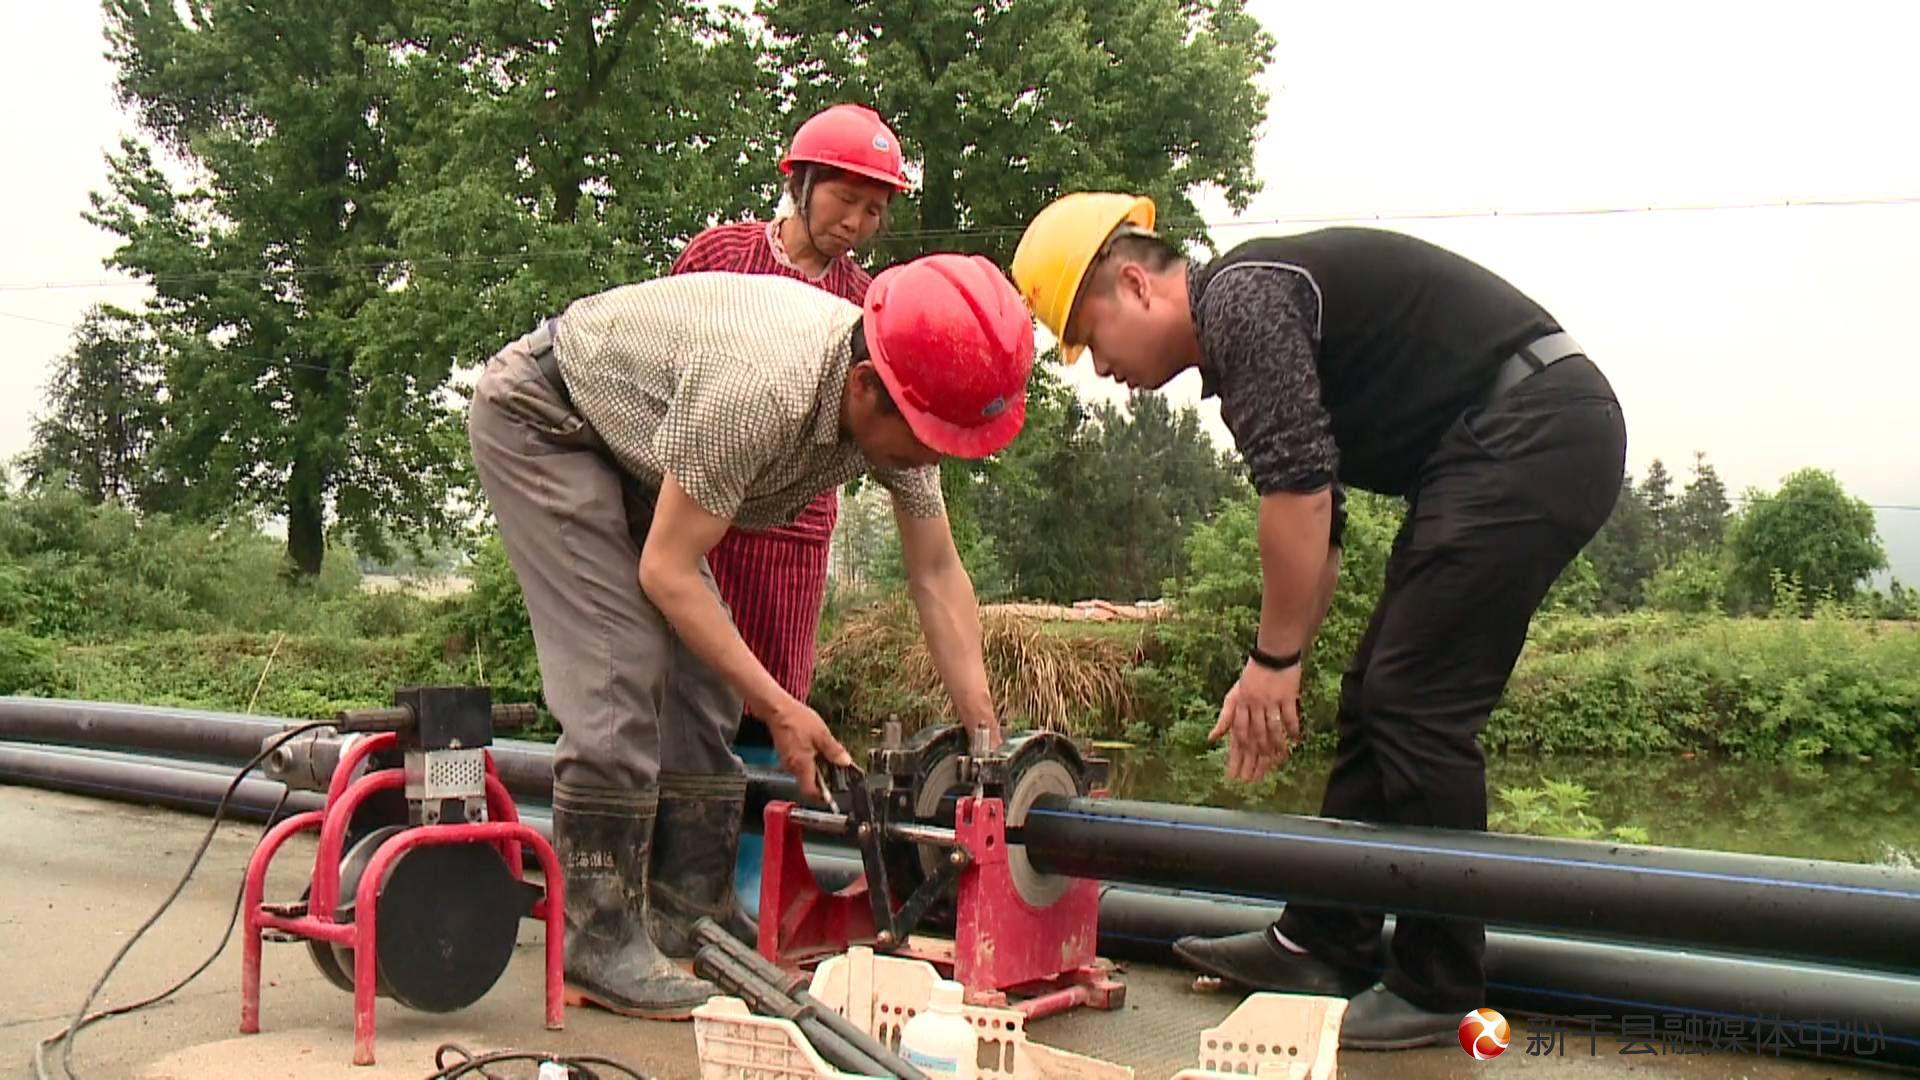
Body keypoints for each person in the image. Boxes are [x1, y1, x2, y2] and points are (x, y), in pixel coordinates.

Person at [1012, 193, 1627, 1049]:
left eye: (1090, 335)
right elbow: (1323, 523)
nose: (1097, 366)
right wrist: (1284, 661)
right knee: (1377, 694)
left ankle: (1441, 984)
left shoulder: (1243, 299)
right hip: (1496, 442)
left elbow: (1295, 496)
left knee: (1417, 702)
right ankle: (1325, 940)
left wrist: (1272, 661)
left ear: (1134, 284)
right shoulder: (1246, 320)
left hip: (1530, 429)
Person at [468, 253, 1032, 1020]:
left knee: (704, 681)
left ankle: (685, 909)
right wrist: (780, 708)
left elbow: (935, 573)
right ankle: (596, 938)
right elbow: (667, 572)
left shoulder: (907, 387)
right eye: (926, 440)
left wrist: (986, 743)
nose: (929, 458)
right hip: (548, 418)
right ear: (865, 389)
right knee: (618, 663)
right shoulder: (763, 390)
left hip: (634, 446)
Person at [664, 104, 908, 937]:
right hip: (699, 501)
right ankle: (668, 876)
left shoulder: (865, 301)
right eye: (846, 198)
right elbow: (668, 355)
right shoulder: (722, 255)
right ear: (799, 183)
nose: (858, 223)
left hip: (795, 528)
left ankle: (747, 888)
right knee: (685, 681)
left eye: (876, 210)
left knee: (775, 693)